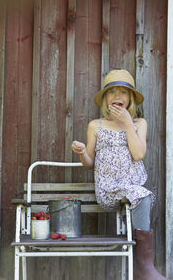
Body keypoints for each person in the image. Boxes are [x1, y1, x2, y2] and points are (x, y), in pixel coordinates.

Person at [72, 69, 170, 280]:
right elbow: (89, 163)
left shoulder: (139, 124)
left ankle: (141, 266)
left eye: (123, 92)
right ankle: (143, 268)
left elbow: (138, 154)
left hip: (131, 188)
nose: (117, 97)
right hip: (108, 189)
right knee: (141, 195)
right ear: (105, 98)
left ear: (131, 98)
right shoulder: (95, 126)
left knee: (140, 195)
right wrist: (82, 153)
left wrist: (127, 123)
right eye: (112, 92)